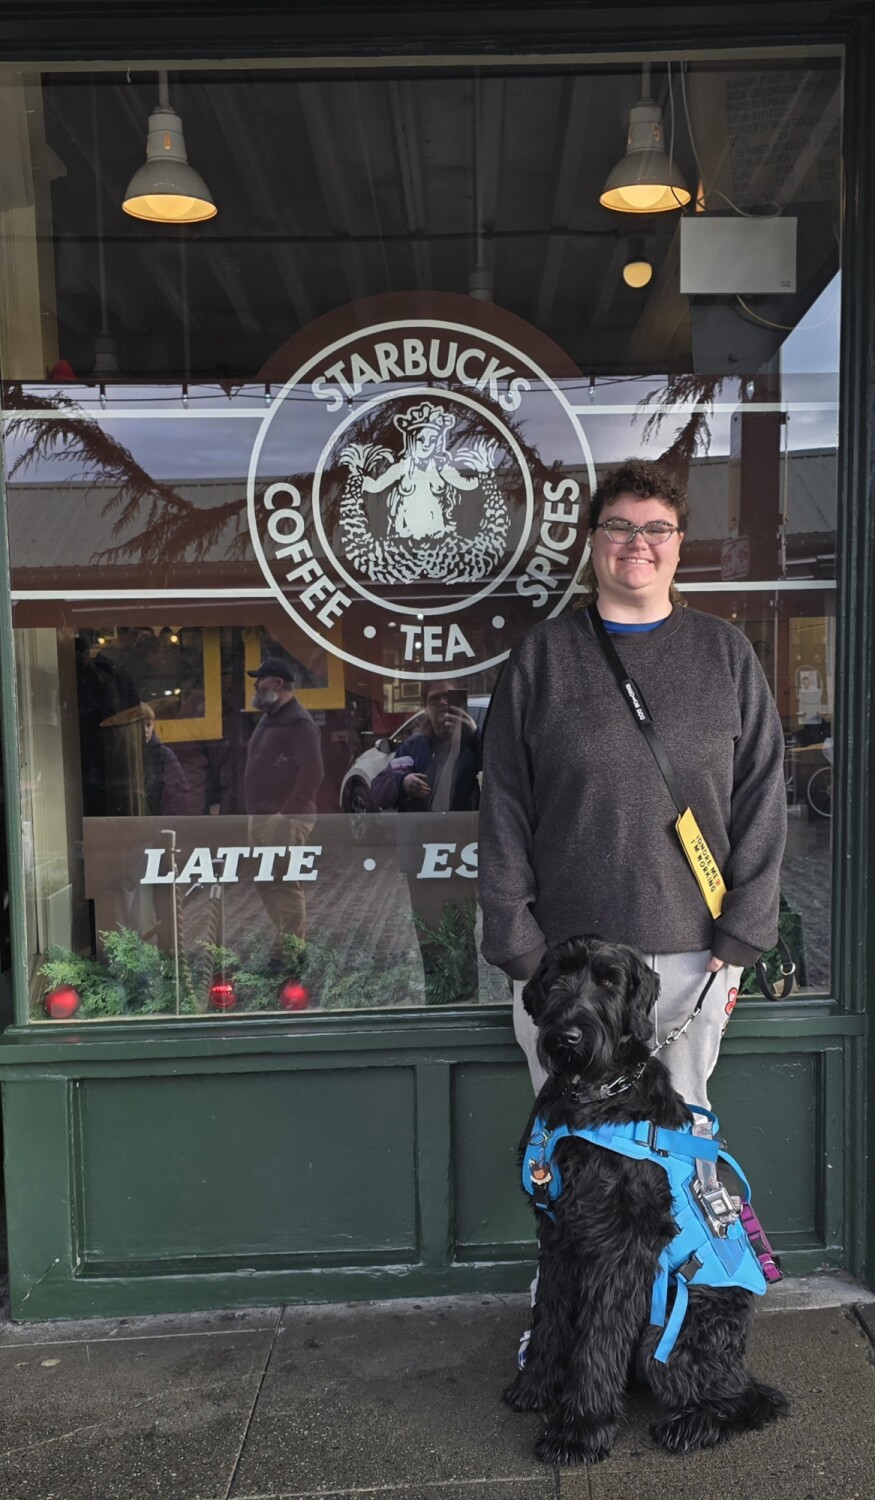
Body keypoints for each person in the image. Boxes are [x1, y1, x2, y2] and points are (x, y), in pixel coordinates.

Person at [479, 458, 788, 1118]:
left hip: (690, 956)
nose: (637, 541)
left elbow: (762, 792)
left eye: (657, 527)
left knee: (677, 1141)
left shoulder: (725, 654)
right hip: (566, 960)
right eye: (618, 525)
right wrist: (515, 941)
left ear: (678, 542)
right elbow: (502, 800)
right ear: (592, 541)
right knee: (573, 1146)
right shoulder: (542, 657)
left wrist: (742, 931)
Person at [379, 682, 482, 1003]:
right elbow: (379, 791)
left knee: (462, 927)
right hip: (421, 855)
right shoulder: (413, 745)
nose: (442, 706)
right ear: (424, 706)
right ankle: (438, 995)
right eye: (435, 700)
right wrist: (402, 781)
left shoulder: (473, 743)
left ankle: (466, 996)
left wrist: (475, 736)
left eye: (450, 700)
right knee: (429, 930)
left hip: (461, 852)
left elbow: (504, 774)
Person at [243, 656, 324, 956]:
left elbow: (313, 772)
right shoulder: (270, 717)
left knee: (284, 884)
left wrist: (285, 813)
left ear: (277, 683)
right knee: (266, 882)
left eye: (260, 679)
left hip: (285, 820)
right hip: (262, 817)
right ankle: (285, 943)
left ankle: (289, 953)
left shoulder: (299, 722)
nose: (255, 684)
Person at [142, 705, 189, 815]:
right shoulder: (124, 757)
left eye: (148, 725)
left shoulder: (164, 755)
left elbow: (177, 796)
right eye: (140, 725)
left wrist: (167, 826)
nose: (145, 730)